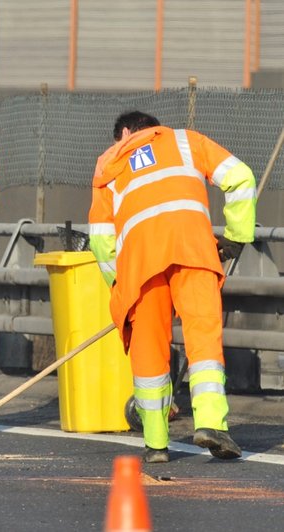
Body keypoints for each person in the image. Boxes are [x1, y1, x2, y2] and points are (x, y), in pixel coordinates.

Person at [88, 111, 256, 464]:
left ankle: (156, 445)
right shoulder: (187, 140)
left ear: (123, 132)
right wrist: (237, 237)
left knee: (149, 353)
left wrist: (118, 284)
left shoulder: (108, 164)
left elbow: (102, 241)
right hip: (193, 250)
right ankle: (211, 424)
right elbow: (240, 177)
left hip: (140, 267)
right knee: (203, 340)